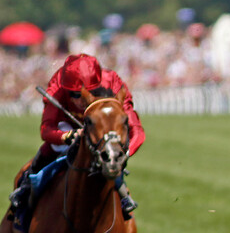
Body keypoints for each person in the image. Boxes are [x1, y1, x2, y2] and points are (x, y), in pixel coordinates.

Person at [9, 53, 145, 217]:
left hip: (101, 128)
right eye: (74, 94)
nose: (81, 100)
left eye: (89, 92)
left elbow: (136, 129)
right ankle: (26, 187)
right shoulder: (58, 85)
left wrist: (125, 153)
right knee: (53, 146)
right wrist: (67, 136)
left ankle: (123, 195)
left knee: (110, 150)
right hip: (68, 126)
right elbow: (46, 129)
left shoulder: (113, 82)